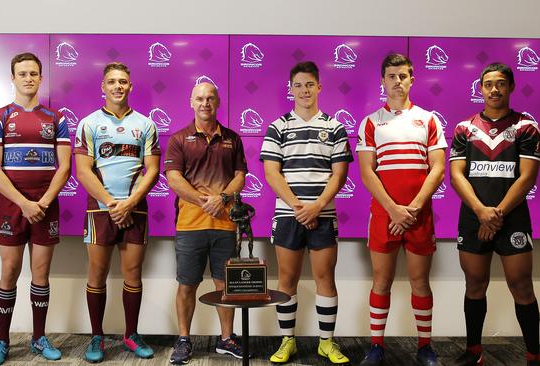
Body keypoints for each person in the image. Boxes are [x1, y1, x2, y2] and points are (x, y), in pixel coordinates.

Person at [260, 61, 353, 365]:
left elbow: (339, 175)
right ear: (290, 89)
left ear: (319, 87)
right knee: (287, 279)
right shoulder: (278, 126)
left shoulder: (335, 127)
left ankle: (327, 343)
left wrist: (316, 206)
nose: (304, 90)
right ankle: (288, 341)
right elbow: (272, 173)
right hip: (289, 215)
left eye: (309, 84)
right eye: (298, 85)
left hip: (323, 215)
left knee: (325, 278)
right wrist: (300, 207)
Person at [356, 54, 446, 366]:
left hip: (419, 215)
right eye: (391, 76)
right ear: (382, 81)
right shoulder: (371, 122)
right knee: (381, 282)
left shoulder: (429, 119)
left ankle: (425, 347)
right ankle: (376, 347)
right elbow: (367, 172)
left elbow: (438, 169)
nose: (397, 81)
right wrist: (394, 210)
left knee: (420, 282)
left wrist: (412, 209)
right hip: (384, 214)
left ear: (412, 79)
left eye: (403, 76)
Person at [449, 63, 540, 366]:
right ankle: (474, 352)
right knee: (475, 284)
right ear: (481, 88)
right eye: (488, 84)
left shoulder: (526, 126)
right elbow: (456, 176)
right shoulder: (465, 128)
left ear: (511, 87)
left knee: (522, 286)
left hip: (511, 217)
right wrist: (480, 211)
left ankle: (533, 354)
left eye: (501, 83)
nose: (494, 89)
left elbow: (527, 177)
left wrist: (496, 214)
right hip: (474, 216)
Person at [0, 52, 71, 365]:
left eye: (33, 73)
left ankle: (38, 338)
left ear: (41, 77)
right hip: (12, 205)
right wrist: (24, 203)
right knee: (8, 272)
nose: (28, 78)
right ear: (13, 77)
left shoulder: (56, 118)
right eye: (22, 74)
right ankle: (3, 341)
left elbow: (64, 167)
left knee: (41, 275)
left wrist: (43, 202)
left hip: (46, 205)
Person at [74, 62, 160, 362]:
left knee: (133, 274)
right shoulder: (88, 123)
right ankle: (97, 336)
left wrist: (130, 202)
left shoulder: (146, 124)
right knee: (97, 274)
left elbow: (152, 170)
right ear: (103, 86)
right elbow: (83, 172)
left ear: (130, 86)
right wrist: (112, 204)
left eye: (123, 81)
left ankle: (131, 334)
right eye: (111, 81)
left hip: (136, 210)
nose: (117, 86)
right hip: (100, 211)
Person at [165, 82, 247, 364]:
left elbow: (240, 176)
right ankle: (184, 339)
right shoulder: (178, 139)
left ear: (218, 101)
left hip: (225, 225)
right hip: (190, 225)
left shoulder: (232, 138)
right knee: (187, 284)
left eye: (210, 98)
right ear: (191, 102)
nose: (205, 103)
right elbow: (174, 179)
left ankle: (226, 339)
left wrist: (223, 198)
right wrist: (205, 201)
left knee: (226, 286)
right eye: (200, 98)